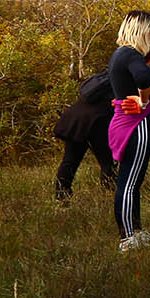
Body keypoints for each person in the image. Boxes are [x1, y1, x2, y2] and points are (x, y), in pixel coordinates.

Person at [107, 11, 150, 252]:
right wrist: (143, 101)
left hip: (123, 122)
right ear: (143, 30)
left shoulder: (119, 54)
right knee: (129, 183)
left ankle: (137, 230)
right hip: (135, 124)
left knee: (132, 181)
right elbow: (145, 76)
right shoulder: (131, 54)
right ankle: (127, 237)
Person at [53, 70, 117, 201]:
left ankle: (61, 196)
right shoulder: (123, 82)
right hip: (96, 122)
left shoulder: (105, 77)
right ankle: (111, 196)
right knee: (107, 162)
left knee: (70, 161)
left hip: (75, 119)